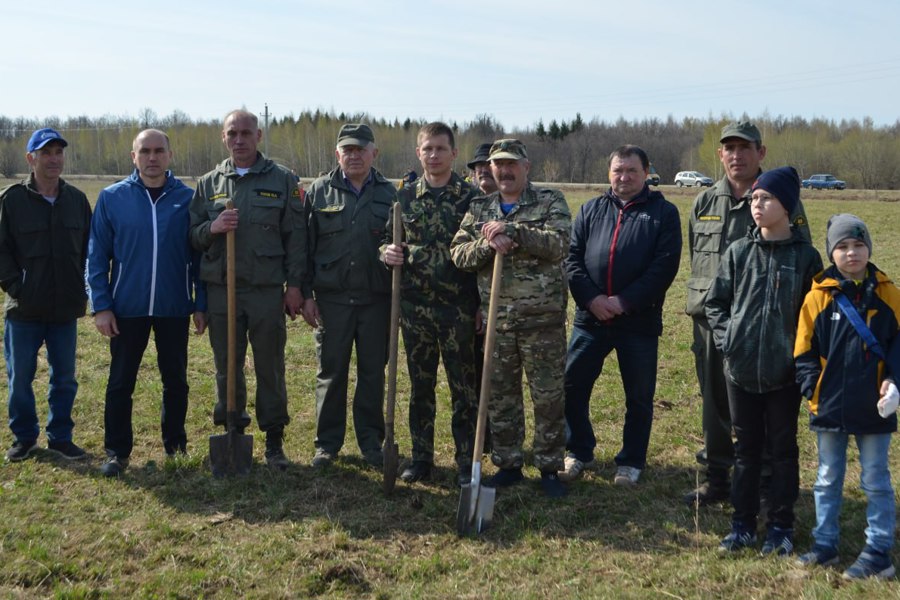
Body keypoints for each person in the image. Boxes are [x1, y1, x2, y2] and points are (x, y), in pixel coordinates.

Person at [684, 121, 812, 506]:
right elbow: (697, 257)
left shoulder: (779, 197)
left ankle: (764, 478)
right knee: (715, 403)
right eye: (729, 149)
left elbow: (799, 254)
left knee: (763, 405)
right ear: (720, 154)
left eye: (744, 148)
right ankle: (717, 477)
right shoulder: (705, 201)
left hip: (764, 326)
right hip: (712, 321)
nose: (736, 155)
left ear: (761, 153)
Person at [704, 167, 822, 556]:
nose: (757, 205)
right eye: (754, 198)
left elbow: (814, 316)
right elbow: (716, 303)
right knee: (747, 450)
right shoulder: (739, 252)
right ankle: (742, 525)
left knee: (783, 451)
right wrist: (730, 342)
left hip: (783, 375)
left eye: (766, 198)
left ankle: (781, 526)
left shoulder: (806, 258)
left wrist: (800, 357)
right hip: (740, 371)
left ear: (786, 206)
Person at [450, 139, 570, 498]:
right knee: (502, 396)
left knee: (548, 397)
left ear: (526, 167)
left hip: (542, 321)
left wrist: (515, 232)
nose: (504, 170)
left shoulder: (549, 201)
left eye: (511, 164)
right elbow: (458, 254)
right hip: (497, 323)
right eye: (498, 164)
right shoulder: (479, 207)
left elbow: (560, 244)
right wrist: (488, 244)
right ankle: (509, 463)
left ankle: (549, 466)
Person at [189, 109, 305, 470]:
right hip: (223, 291)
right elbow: (191, 237)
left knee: (270, 366)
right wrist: (213, 228)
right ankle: (232, 431)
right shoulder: (208, 183)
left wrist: (295, 286)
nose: (238, 140)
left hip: (266, 291)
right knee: (227, 366)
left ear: (258, 135)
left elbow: (296, 239)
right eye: (231, 133)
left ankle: (273, 441)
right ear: (223, 138)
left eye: (245, 133)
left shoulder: (283, 180)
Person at [87, 129, 207, 477]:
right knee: (121, 381)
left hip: (173, 305)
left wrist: (200, 303)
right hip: (127, 307)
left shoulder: (188, 198)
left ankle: (176, 446)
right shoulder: (112, 198)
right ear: (133, 156)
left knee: (176, 380)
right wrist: (101, 305)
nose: (152, 158)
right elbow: (96, 256)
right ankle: (116, 451)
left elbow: (199, 257)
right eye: (145, 152)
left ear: (170, 155)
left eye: (159, 151)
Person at [560, 145, 682, 486]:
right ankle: (578, 450)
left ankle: (630, 461)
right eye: (618, 170)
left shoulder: (663, 213)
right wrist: (592, 299)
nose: (623, 177)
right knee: (572, 385)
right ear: (609, 173)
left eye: (631, 170)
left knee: (639, 396)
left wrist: (624, 302)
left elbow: (664, 267)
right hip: (590, 318)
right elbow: (573, 260)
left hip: (638, 321)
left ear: (646, 173)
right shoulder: (590, 210)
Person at [794, 214, 900, 579]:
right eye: (842, 247)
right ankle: (825, 545)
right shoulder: (817, 297)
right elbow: (803, 352)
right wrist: (813, 389)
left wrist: (894, 381)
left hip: (876, 406)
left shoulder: (889, 294)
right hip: (830, 405)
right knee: (826, 477)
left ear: (869, 247)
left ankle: (878, 553)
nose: (851, 253)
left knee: (875, 478)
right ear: (831, 253)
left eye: (858, 245)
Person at [382, 122, 480, 485]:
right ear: (419, 153)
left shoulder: (471, 199)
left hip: (458, 309)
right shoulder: (404, 198)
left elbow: (473, 256)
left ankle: (466, 461)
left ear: (454, 153)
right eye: (427, 149)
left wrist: (415, 254)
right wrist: (388, 252)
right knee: (420, 388)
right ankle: (421, 457)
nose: (434, 155)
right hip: (415, 309)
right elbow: (386, 239)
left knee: (463, 389)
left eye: (441, 148)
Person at [302, 123, 395, 469]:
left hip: (376, 301)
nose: (354, 156)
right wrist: (307, 294)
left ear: (374, 153)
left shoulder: (391, 194)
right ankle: (327, 445)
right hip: (332, 301)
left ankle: (371, 442)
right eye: (348, 150)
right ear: (337, 154)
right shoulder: (319, 191)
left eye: (361, 149)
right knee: (331, 372)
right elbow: (304, 247)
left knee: (372, 373)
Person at [0, 128, 92, 462]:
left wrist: (80, 288)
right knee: (20, 377)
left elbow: (87, 251)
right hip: (24, 310)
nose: (53, 159)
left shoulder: (77, 201)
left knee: (64, 378)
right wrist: (17, 287)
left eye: (58, 152)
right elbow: (2, 252)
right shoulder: (11, 200)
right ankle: (24, 437)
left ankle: (61, 437)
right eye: (45, 152)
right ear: (31, 159)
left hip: (64, 309)